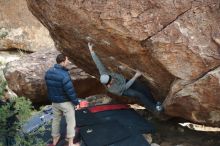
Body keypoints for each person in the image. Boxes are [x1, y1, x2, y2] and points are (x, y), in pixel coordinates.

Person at [87, 42, 163, 113]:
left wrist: (91, 51)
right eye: (111, 79)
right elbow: (126, 86)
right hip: (124, 90)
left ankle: (155, 103)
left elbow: (98, 63)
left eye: (111, 77)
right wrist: (135, 76)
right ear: (109, 83)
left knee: (143, 88)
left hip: (125, 81)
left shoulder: (104, 73)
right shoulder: (113, 89)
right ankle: (155, 109)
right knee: (139, 94)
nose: (112, 78)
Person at [45, 54, 80, 146]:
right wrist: (76, 103)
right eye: (67, 60)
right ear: (63, 61)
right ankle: (71, 143)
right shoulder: (64, 75)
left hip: (54, 102)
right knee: (71, 121)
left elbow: (48, 87)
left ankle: (55, 138)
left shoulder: (48, 72)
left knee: (56, 120)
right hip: (65, 102)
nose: (68, 62)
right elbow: (70, 91)